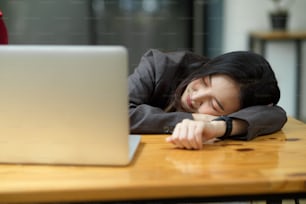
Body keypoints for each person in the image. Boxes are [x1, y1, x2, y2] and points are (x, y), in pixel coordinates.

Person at [128, 49, 287, 150]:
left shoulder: (243, 110)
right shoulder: (158, 65)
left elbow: (275, 114)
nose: (195, 97)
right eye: (204, 82)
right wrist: (193, 118)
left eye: (214, 104)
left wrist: (219, 127)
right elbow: (113, 114)